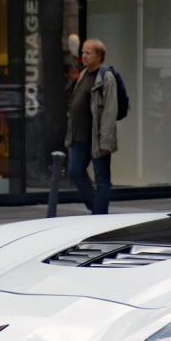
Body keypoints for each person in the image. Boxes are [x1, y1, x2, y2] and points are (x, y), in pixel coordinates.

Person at [65, 38, 118, 214]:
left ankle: (99, 215)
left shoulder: (106, 77)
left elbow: (110, 111)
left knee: (102, 179)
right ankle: (96, 207)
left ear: (99, 56)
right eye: (83, 52)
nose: (84, 56)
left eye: (88, 53)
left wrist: (106, 141)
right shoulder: (83, 75)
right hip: (79, 136)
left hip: (97, 137)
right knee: (75, 171)